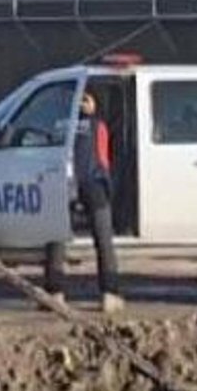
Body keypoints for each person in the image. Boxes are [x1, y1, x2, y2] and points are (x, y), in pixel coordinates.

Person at [43, 88, 123, 314]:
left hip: (63, 184)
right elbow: (103, 158)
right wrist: (108, 189)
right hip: (93, 184)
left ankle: (54, 293)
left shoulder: (58, 125)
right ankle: (110, 293)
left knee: (56, 237)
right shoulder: (98, 126)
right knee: (103, 239)